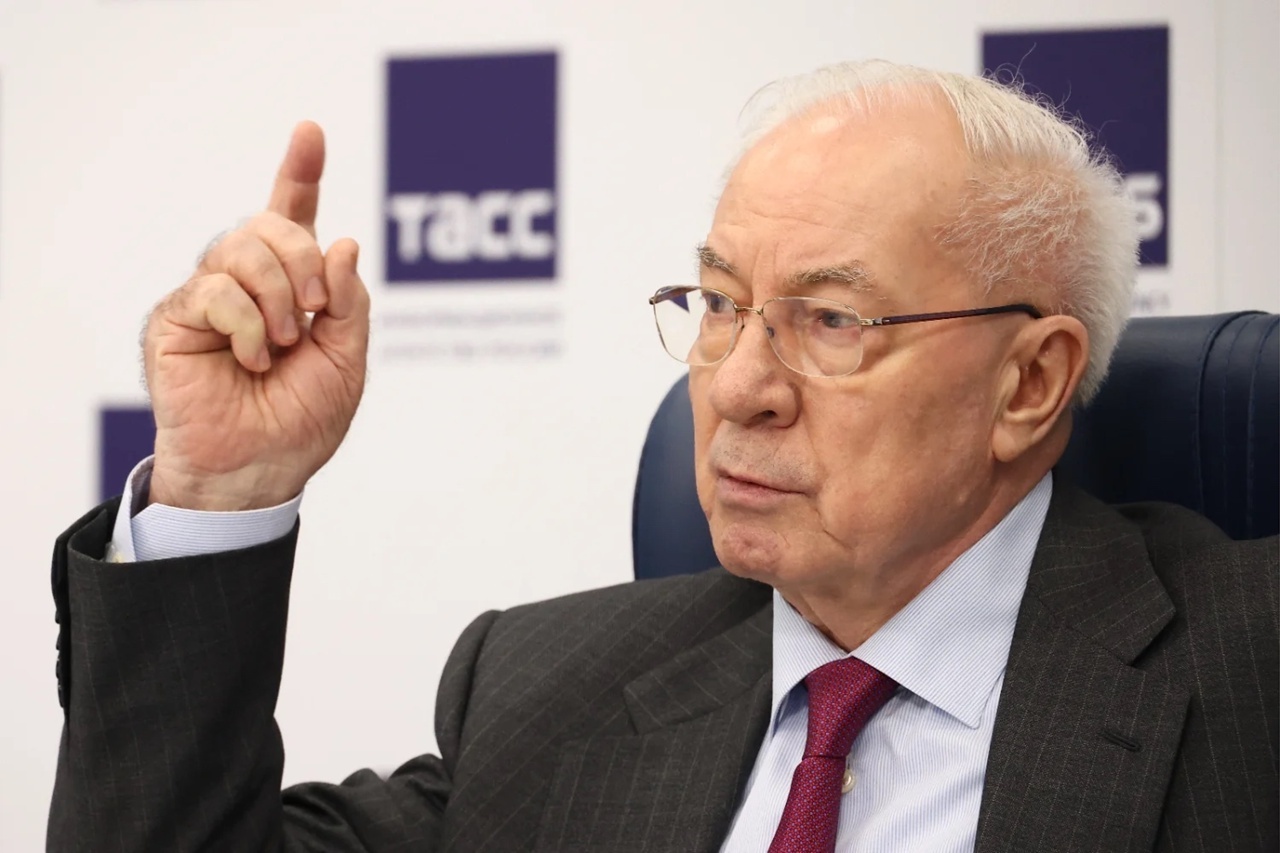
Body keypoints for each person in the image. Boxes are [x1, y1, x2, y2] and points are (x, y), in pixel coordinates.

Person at [47, 60, 1276, 853]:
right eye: (719, 303)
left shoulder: (1250, 672)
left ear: (1028, 383)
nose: (735, 386)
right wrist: (221, 491)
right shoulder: (543, 692)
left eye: (830, 320)